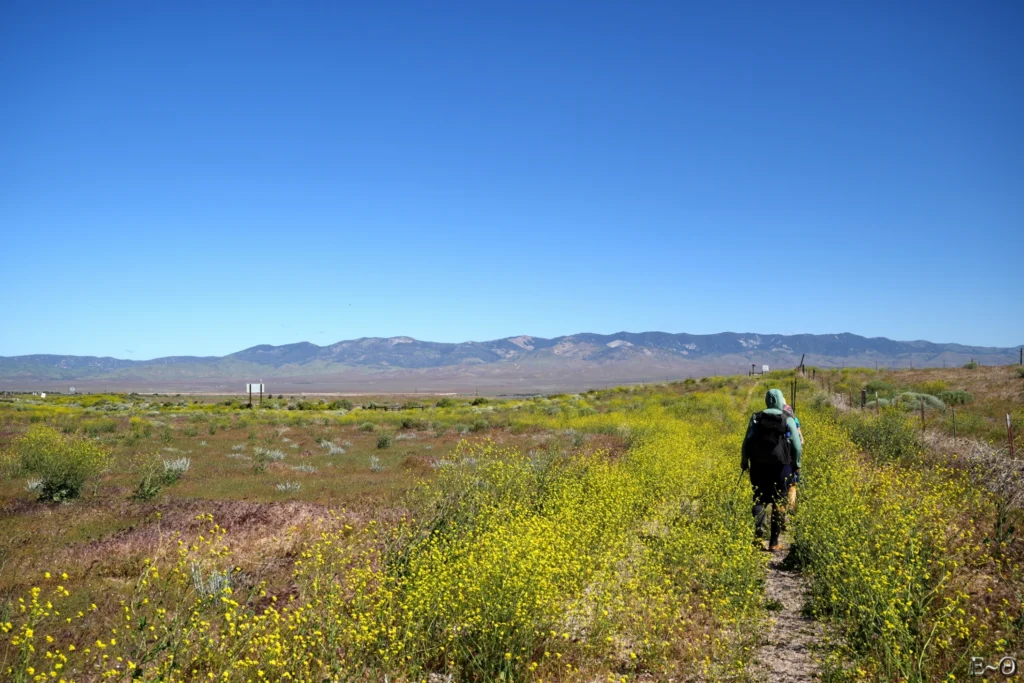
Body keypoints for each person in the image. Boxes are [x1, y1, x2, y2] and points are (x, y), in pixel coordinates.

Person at [741, 388, 802, 551]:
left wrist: (744, 461)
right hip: (782, 467)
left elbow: (746, 442)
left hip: (758, 465)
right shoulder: (787, 418)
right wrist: (796, 464)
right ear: (781, 400)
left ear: (767, 400)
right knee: (779, 501)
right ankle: (774, 542)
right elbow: (797, 445)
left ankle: (758, 538)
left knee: (759, 499)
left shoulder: (756, 418)